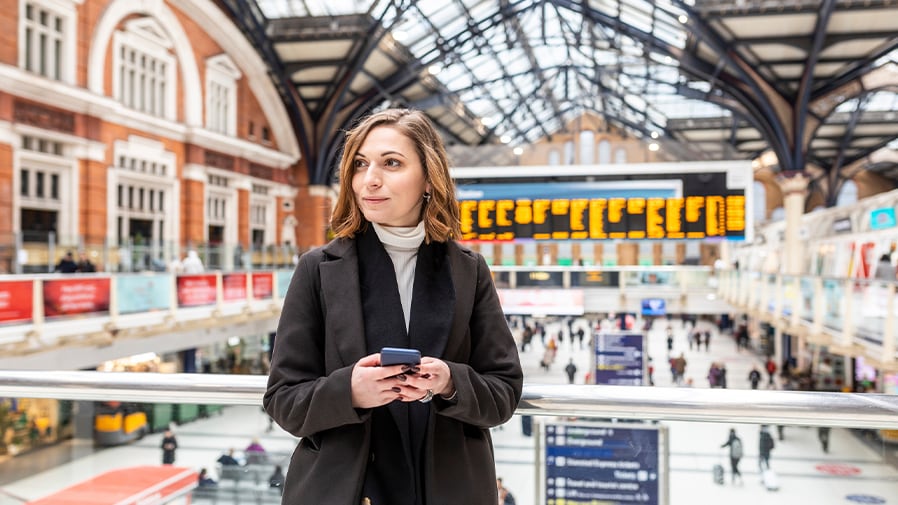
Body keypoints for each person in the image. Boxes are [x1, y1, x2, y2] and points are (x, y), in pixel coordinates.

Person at [263, 109, 524, 505]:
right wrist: (349, 391)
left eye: (391, 163)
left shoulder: (467, 270)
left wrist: (449, 382)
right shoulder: (318, 269)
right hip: (345, 491)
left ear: (429, 179)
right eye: (360, 164)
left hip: (447, 489)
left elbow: (503, 391)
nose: (370, 179)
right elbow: (283, 399)